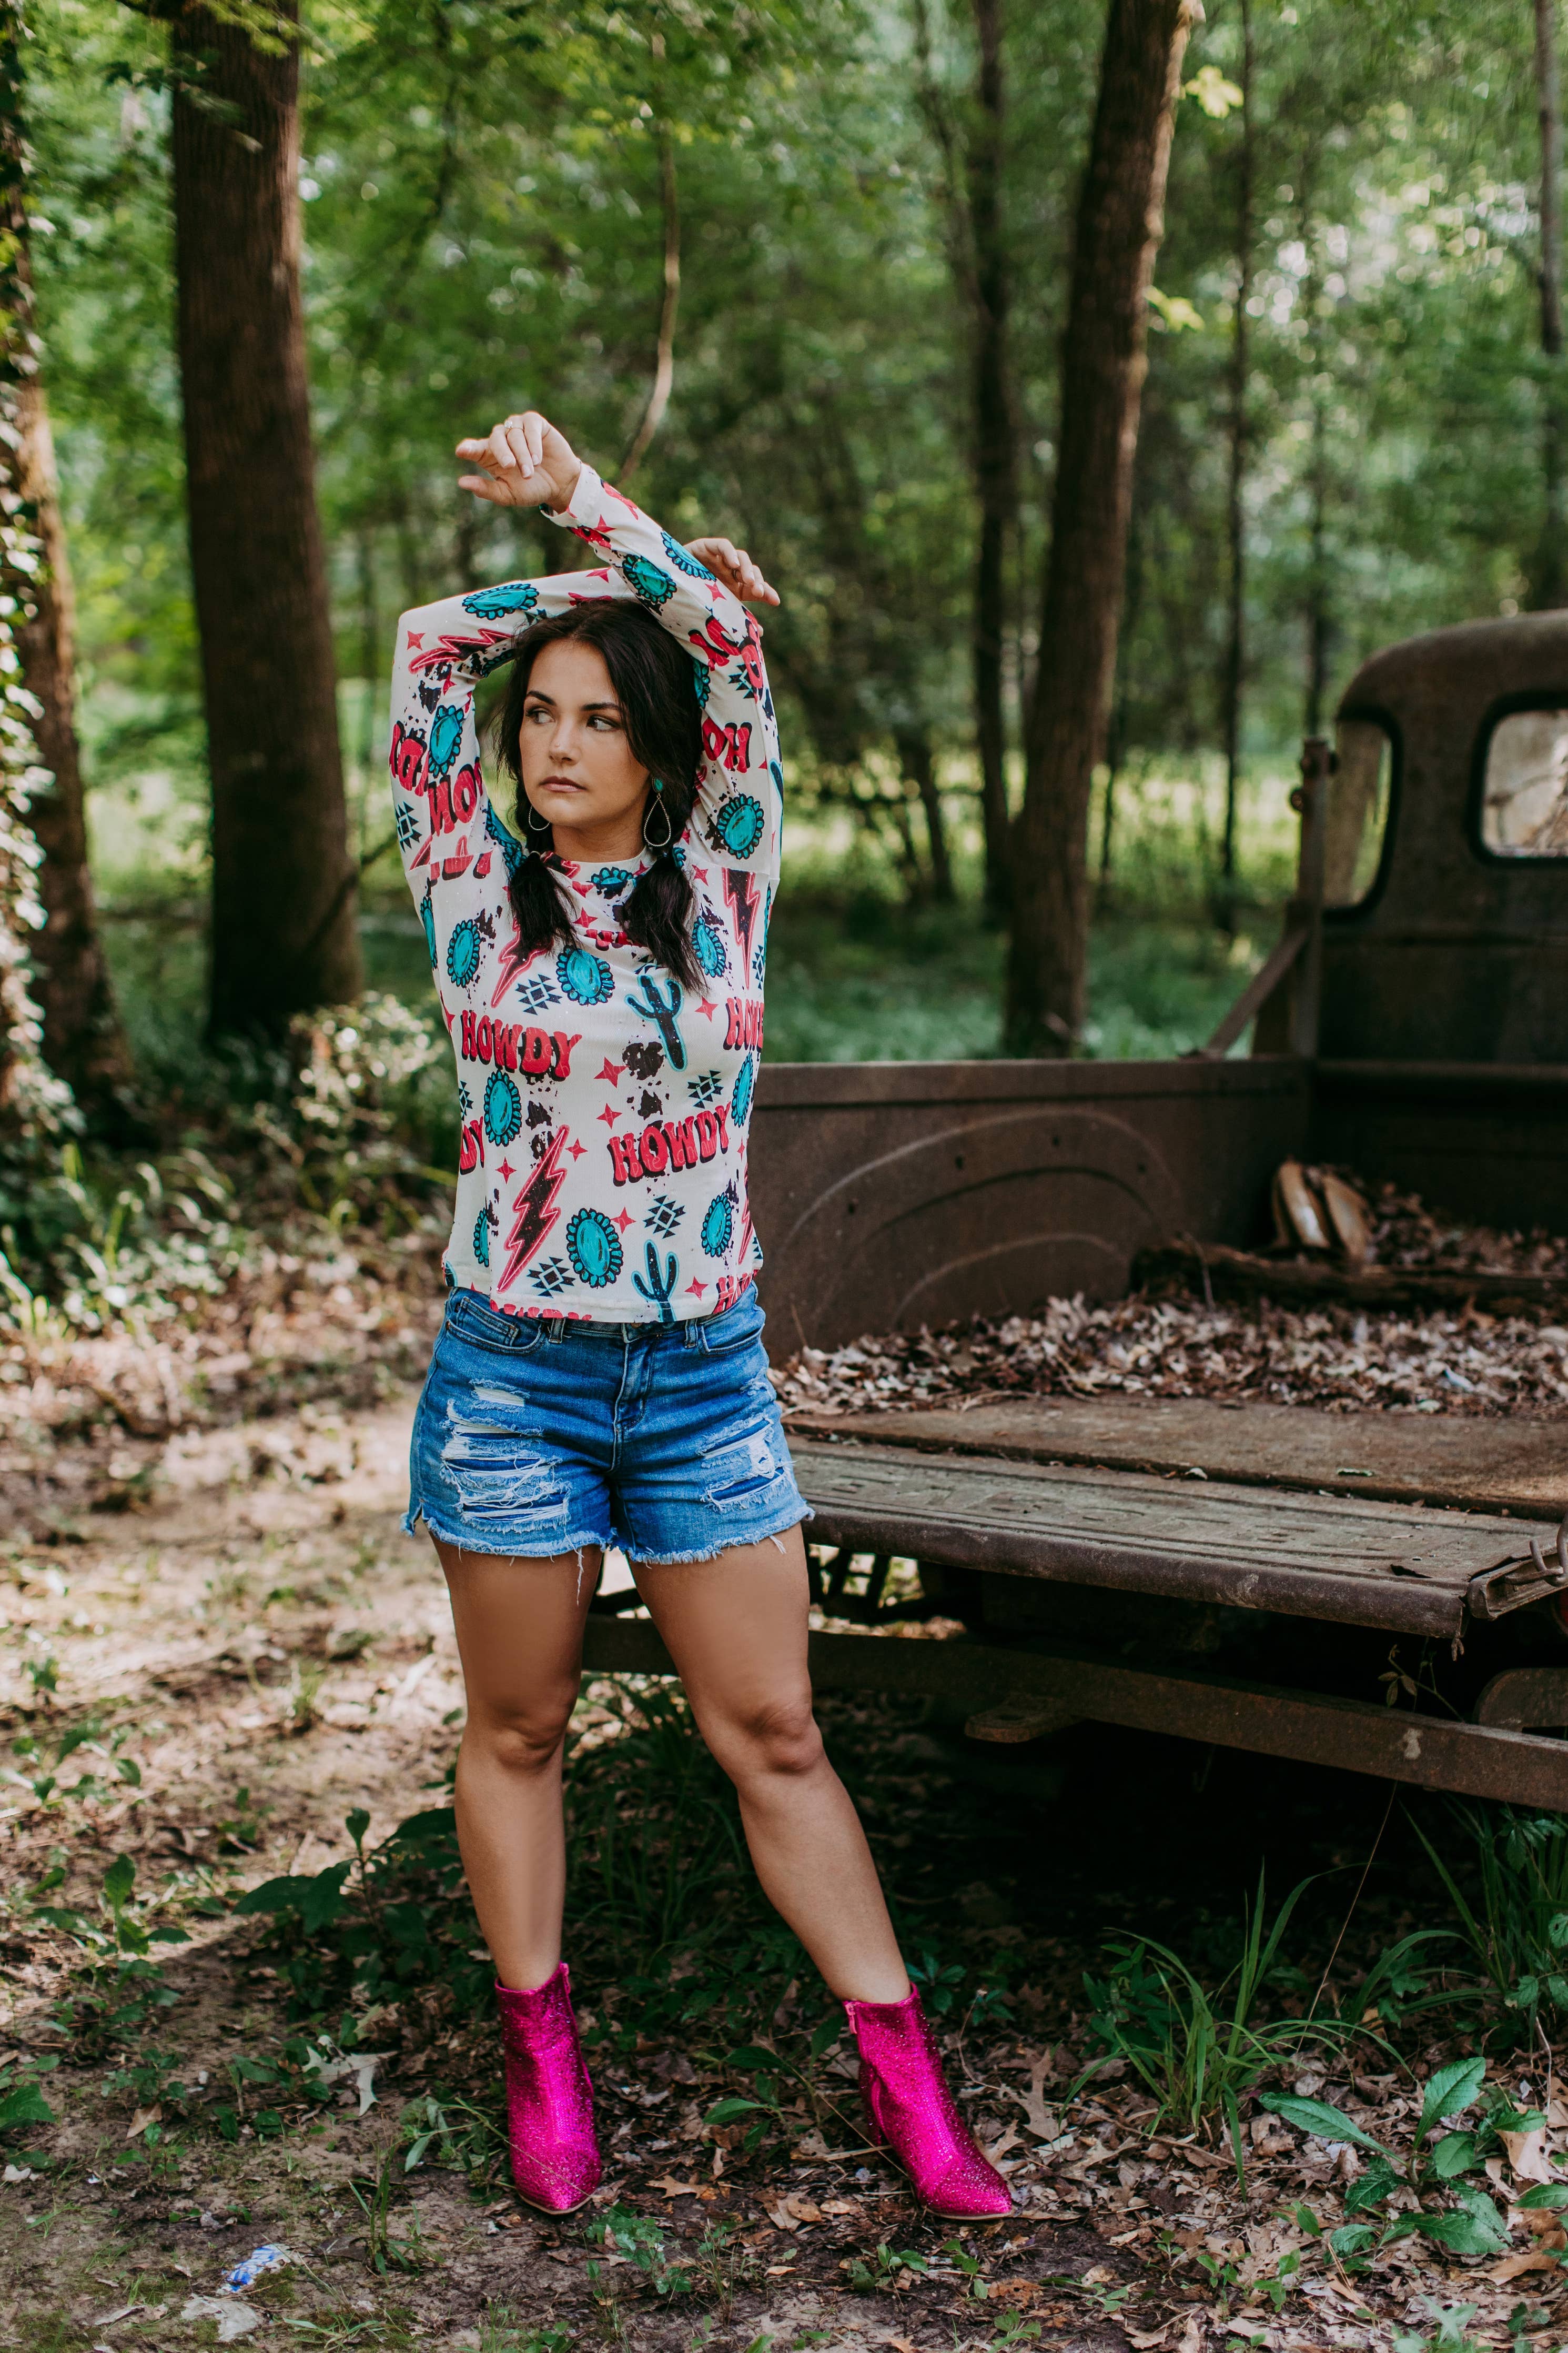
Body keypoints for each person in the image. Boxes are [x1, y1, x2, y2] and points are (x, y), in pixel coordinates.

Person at [390, 408, 1009, 2225]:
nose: (556, 742)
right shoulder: (469, 890)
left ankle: (909, 2088)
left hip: (701, 1377)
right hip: (512, 1373)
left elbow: (730, 647)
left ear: (660, 748)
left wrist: (602, 515)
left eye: (599, 713)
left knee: (778, 1733)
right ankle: (542, 2050)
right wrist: (590, 583)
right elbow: (438, 646)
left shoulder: (725, 874)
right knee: (517, 1728)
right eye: (543, 716)